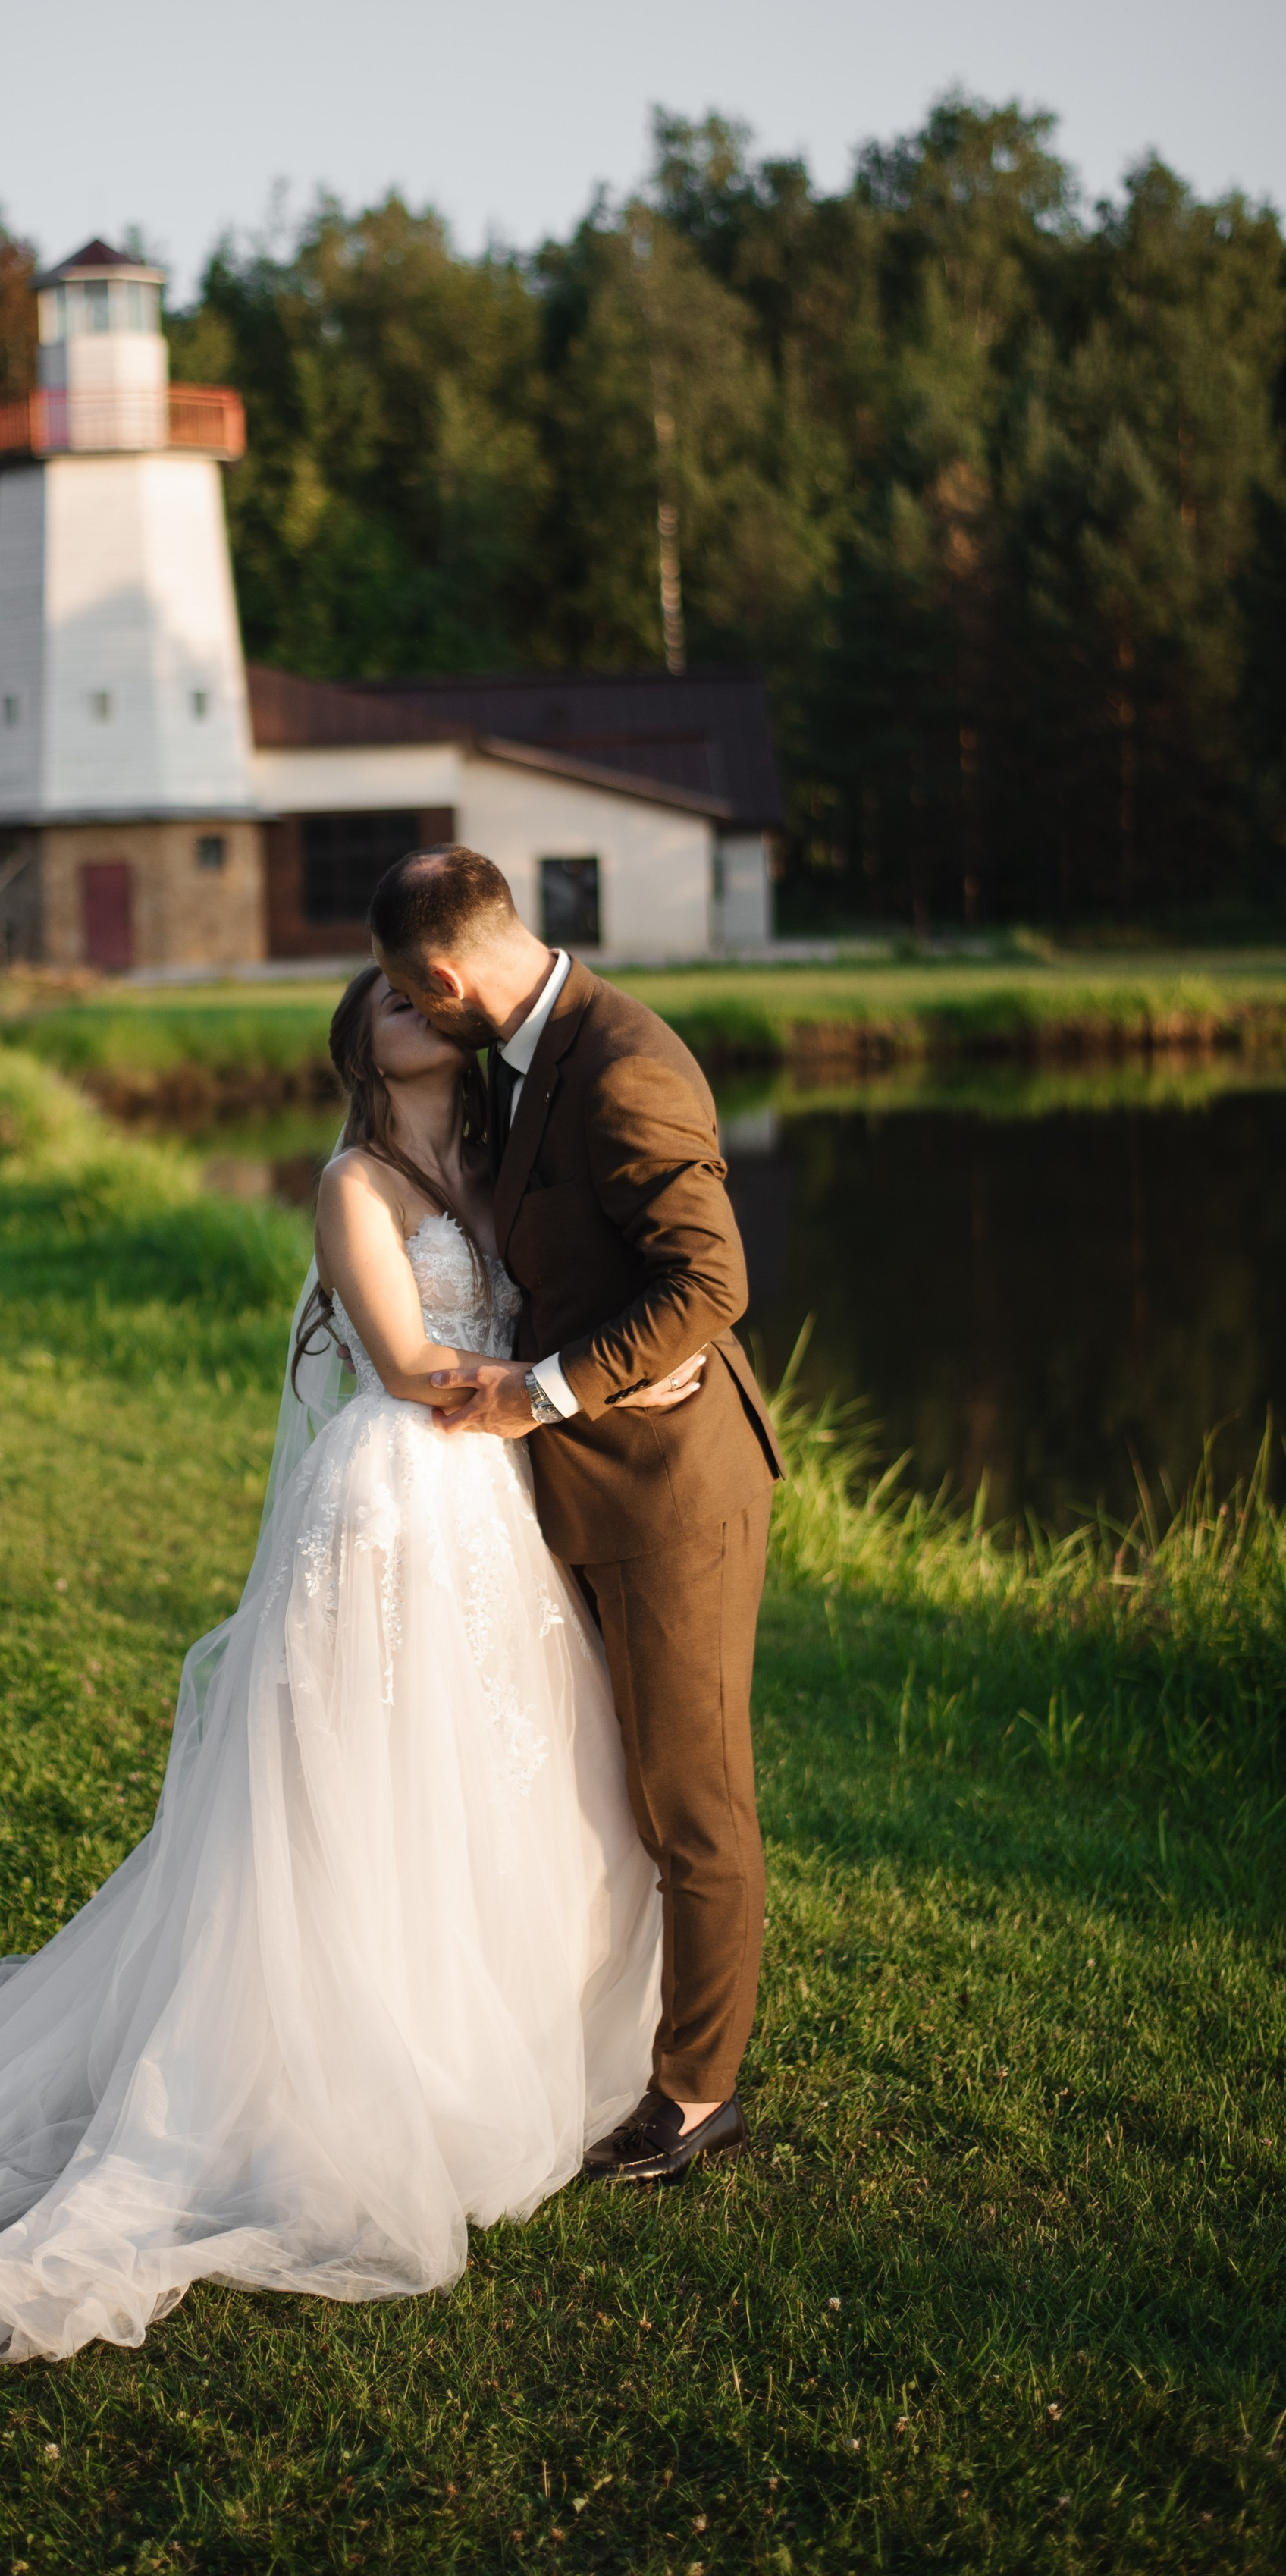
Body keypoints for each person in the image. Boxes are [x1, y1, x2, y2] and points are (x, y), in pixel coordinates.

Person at [0, 963, 694, 2361]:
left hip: (490, 1507)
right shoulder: (354, 1185)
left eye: (423, 990)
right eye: (391, 1002)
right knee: (363, 1798)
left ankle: (487, 2045)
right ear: (364, 1052)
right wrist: (557, 1380)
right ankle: (334, 2079)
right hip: (399, 1497)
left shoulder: (504, 1154)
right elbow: (404, 1363)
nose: (419, 1007)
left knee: (500, 1780)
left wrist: (627, 1362)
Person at [369, 847, 783, 2188]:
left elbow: (710, 1281)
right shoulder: (523, 1052)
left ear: (440, 978)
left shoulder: (625, 1065)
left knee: (695, 1802)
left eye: (400, 996)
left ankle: (698, 2096)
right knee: (621, 1793)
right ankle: (608, 2044)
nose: (410, 1017)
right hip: (586, 1488)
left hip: (672, 1492)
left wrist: (539, 1390)